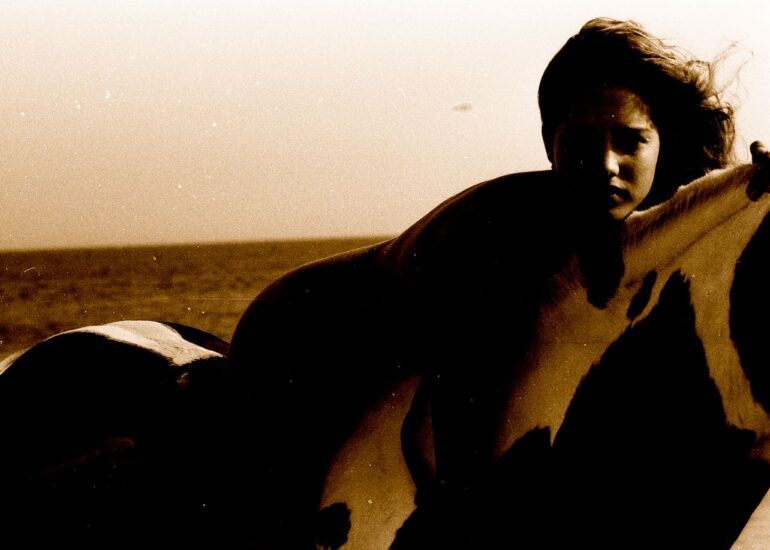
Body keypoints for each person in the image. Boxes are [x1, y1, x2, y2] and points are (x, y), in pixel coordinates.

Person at [226, 17, 770, 548]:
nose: (606, 164)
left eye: (629, 142)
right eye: (580, 143)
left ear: (661, 143)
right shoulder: (495, 240)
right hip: (300, 330)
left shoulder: (654, 214)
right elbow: (470, 459)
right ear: (549, 145)